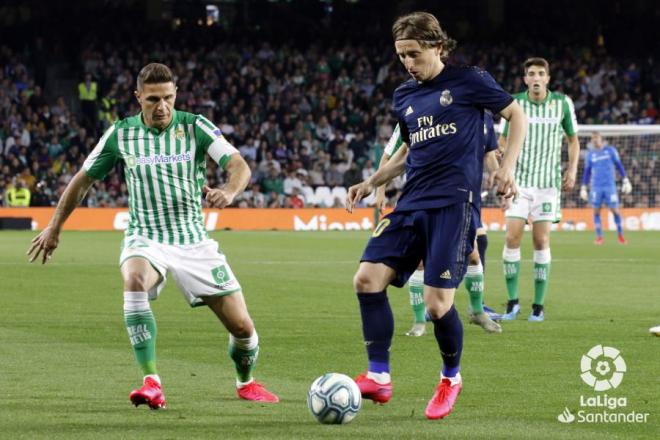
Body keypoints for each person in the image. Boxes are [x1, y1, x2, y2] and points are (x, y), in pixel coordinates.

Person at [27, 63, 279, 409]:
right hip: (145, 236)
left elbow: (239, 165)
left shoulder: (195, 126)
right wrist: (54, 227)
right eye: (153, 99)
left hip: (193, 240)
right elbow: (82, 180)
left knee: (243, 329)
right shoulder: (120, 134)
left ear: (176, 95)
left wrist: (230, 192)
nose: (162, 106)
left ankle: (245, 382)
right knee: (133, 279)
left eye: (168, 98)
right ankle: (151, 381)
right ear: (138, 98)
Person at [346, 12, 526, 420]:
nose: (408, 63)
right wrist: (371, 181)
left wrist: (507, 166)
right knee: (366, 279)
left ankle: (450, 378)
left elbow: (518, 115)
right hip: (411, 203)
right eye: (401, 56)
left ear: (438, 47)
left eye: (414, 53)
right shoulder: (404, 96)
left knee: (436, 305)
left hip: (454, 204)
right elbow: (408, 152)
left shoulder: (470, 81)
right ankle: (378, 375)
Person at [375, 116, 502, 336]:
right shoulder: (416, 110)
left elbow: (489, 153)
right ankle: (419, 321)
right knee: (420, 261)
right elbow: (391, 154)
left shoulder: (481, 116)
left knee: (472, 253)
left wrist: (500, 178)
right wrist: (379, 188)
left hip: (459, 196)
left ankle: (477, 310)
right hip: (421, 195)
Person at [498, 57, 580, 323]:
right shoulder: (514, 104)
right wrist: (503, 166)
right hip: (518, 182)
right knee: (512, 238)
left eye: (540, 73)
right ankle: (512, 303)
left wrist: (572, 169)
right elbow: (501, 140)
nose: (535, 78)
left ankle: (538, 305)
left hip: (547, 185)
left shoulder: (562, 103)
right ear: (525, 79)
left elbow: (573, 140)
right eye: (531, 73)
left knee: (541, 241)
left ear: (547, 78)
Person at [580, 132, 632, 244]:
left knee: (615, 211)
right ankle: (599, 237)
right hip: (596, 187)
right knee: (595, 211)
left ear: (601, 139)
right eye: (592, 139)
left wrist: (625, 179)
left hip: (609, 186)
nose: (594, 141)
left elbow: (619, 165)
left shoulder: (610, 150)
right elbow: (587, 172)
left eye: (596, 138)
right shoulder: (590, 155)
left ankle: (620, 236)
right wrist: (583, 187)